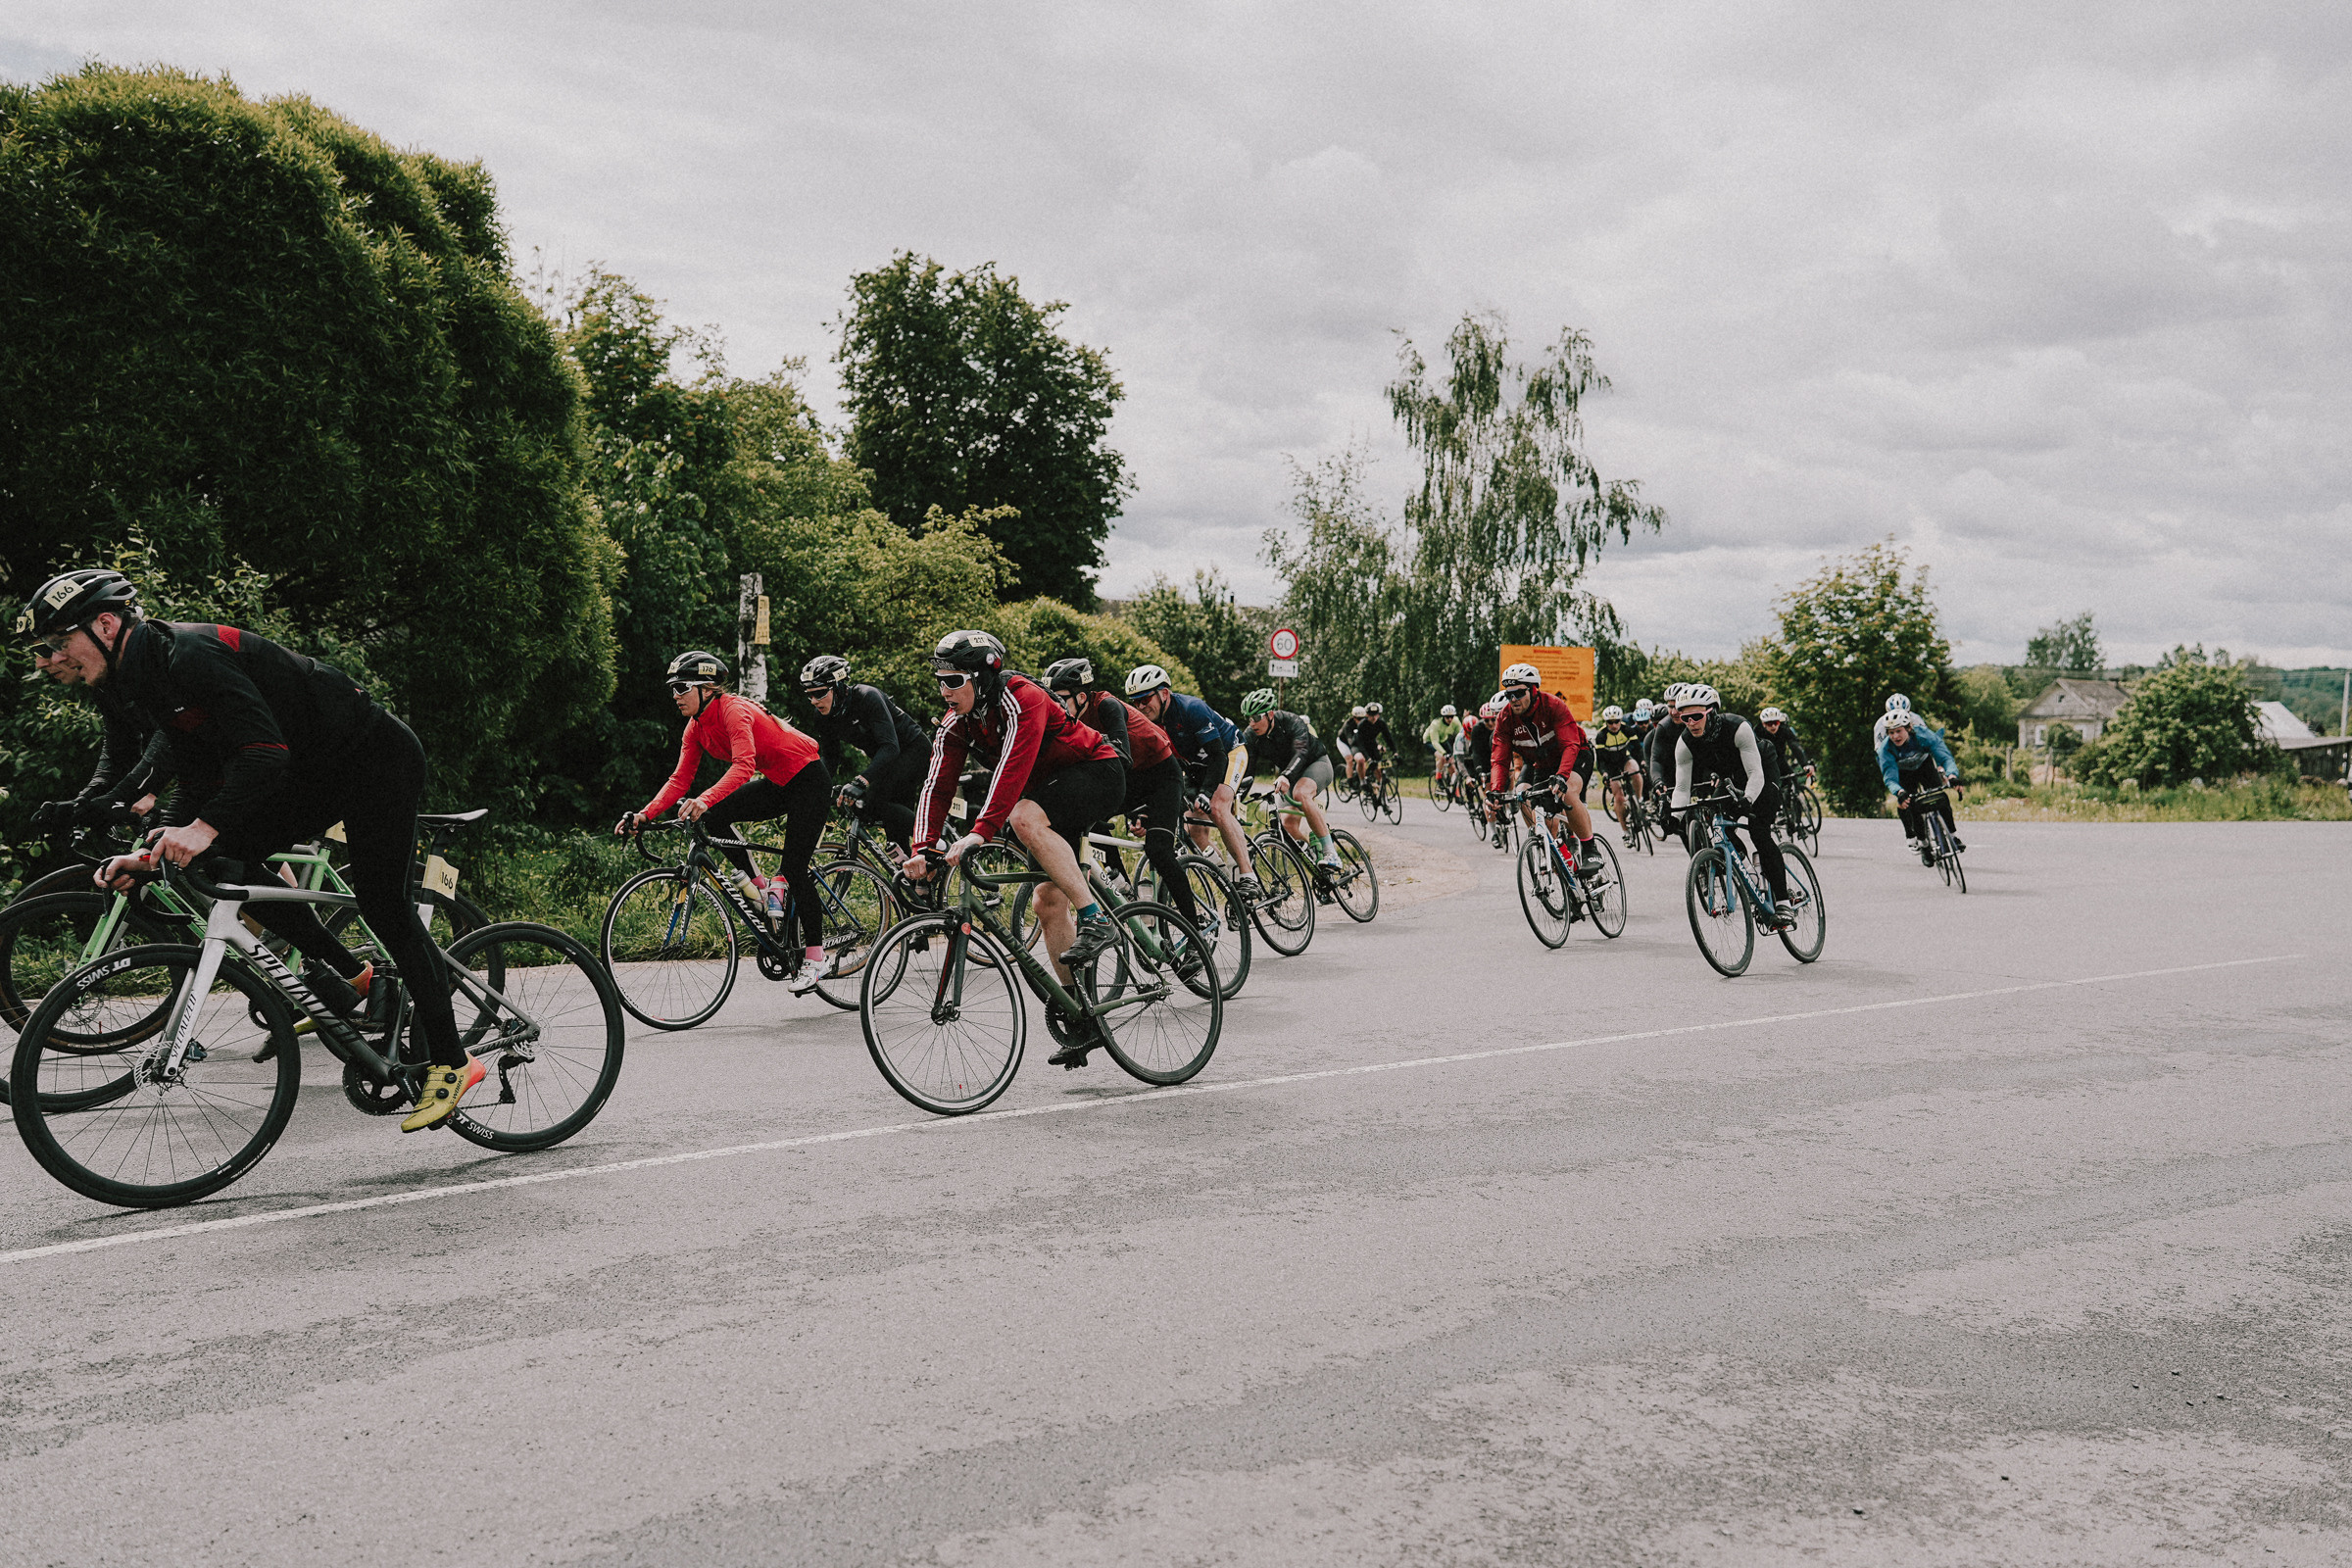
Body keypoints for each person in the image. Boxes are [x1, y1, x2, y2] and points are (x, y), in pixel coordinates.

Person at [23, 568, 477, 1133]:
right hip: (310, 771)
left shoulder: (188, 657)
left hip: (370, 758)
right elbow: (169, 769)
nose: (47, 660)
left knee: (385, 907)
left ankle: (453, 1061)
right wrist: (149, 845)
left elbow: (262, 752)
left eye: (56, 644)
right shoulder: (124, 680)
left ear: (107, 624)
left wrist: (202, 826)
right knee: (215, 859)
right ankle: (354, 978)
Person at [908, 632, 1126, 1064]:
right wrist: (924, 847)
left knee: (1023, 816)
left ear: (981, 675)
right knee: (1046, 904)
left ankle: (1097, 919)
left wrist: (979, 832)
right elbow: (937, 785)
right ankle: (1080, 1012)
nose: (944, 691)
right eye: (940, 681)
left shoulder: (1021, 697)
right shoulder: (957, 723)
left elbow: (1013, 766)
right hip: (1050, 794)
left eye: (953, 681)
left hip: (1098, 772)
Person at [616, 651, 836, 995]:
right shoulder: (696, 727)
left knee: (794, 868)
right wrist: (645, 814)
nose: (675, 695)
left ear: (706, 688)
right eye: (672, 688)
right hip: (779, 782)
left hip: (809, 779)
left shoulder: (733, 710)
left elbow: (743, 766)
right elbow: (679, 780)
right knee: (716, 817)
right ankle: (763, 888)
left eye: (681, 687)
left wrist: (704, 798)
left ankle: (816, 956)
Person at [1042, 658, 1200, 928]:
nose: (1054, 706)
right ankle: (1122, 887)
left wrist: (1135, 807)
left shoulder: (1107, 706)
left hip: (1162, 774)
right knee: (1084, 819)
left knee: (1159, 850)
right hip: (1129, 777)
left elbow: (1120, 756)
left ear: (1081, 697)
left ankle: (1194, 927)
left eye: (1060, 699)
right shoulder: (1065, 719)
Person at [1122, 663, 1258, 904]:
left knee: (1217, 806)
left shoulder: (1191, 709)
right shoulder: (1148, 724)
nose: (1141, 707)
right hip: (1196, 765)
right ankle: (1228, 881)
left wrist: (1206, 792)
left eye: (1145, 699)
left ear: (1164, 693)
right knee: (1193, 829)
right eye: (1136, 702)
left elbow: (1218, 757)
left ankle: (1248, 876)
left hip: (1229, 752)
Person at [1668, 684, 1796, 928]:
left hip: (1762, 770)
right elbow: (1682, 789)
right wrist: (1675, 817)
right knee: (1721, 828)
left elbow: (1755, 774)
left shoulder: (1737, 727)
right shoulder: (1685, 742)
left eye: (1697, 716)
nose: (1691, 723)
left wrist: (1747, 800)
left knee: (1759, 831)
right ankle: (1748, 873)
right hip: (1731, 779)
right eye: (1685, 718)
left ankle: (1783, 903)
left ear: (1712, 712)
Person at [797, 654, 930, 855]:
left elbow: (890, 747)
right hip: (888, 760)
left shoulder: (867, 697)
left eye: (820, 693)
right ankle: (912, 879)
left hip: (913, 750)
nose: (814, 701)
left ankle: (936, 839)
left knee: (873, 803)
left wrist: (861, 782)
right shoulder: (823, 716)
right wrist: (815, 786)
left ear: (839, 687)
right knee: (891, 824)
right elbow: (831, 758)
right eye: (810, 695)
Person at [1491, 662, 1600, 870]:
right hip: (1543, 763)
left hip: (1577, 754)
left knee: (1567, 793)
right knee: (1528, 799)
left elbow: (1570, 745)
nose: (1513, 699)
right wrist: (1496, 791)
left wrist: (1562, 776)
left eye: (1519, 693)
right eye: (1509, 694)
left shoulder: (1553, 705)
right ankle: (1554, 853)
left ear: (1533, 690)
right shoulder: (1505, 719)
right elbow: (1499, 759)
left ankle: (1590, 849)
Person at [1235, 688, 1344, 886]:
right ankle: (1313, 856)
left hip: (1315, 763)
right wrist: (1237, 798)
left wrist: (1285, 775)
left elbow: (1302, 752)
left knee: (1301, 793)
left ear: (1269, 714)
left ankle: (1331, 852)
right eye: (1248, 718)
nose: (1252, 723)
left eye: (1256, 717)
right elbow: (1248, 771)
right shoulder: (1251, 735)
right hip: (1290, 774)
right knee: (1287, 824)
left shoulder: (1291, 722)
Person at [1880, 710, 1962, 861]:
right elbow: (1890, 777)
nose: (1895, 736)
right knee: (1913, 805)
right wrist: (1899, 791)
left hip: (1924, 766)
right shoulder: (1886, 749)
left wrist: (1952, 775)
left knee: (1940, 796)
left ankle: (1953, 835)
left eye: (1899, 731)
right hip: (1904, 773)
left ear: (1909, 728)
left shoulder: (1923, 735)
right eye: (1891, 733)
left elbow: (1944, 756)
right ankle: (1923, 845)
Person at [1589, 706, 1643, 844]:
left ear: (1620, 721)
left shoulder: (1627, 729)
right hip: (1610, 766)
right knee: (1619, 798)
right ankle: (1625, 832)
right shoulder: (1602, 736)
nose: (1614, 725)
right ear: (1606, 723)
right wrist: (1605, 774)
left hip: (1624, 760)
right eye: (1610, 722)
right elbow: (1600, 761)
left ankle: (1639, 800)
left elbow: (1637, 749)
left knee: (1636, 771)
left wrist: (1642, 762)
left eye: (1616, 721)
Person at [1351, 702, 1392, 793]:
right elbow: (1361, 744)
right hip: (1358, 746)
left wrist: (1395, 752)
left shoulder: (1381, 723)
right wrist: (1368, 759)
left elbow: (1388, 738)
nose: (1373, 717)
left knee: (1377, 766)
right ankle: (1362, 782)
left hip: (1370, 745)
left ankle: (1381, 796)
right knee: (1361, 760)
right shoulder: (1362, 724)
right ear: (1367, 715)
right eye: (1371, 715)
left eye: (1376, 715)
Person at [1423, 705, 1461, 789]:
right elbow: (1435, 742)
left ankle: (1453, 786)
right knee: (1442, 758)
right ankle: (1438, 777)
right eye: (1447, 717)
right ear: (1443, 717)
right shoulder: (1435, 724)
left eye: (1451, 717)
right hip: (1430, 741)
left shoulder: (1456, 721)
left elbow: (1461, 735)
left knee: (1452, 761)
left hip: (1443, 739)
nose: (1450, 719)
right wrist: (1444, 753)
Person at [1336, 705, 1366, 786]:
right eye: (1358, 719)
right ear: (1354, 717)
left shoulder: (1365, 724)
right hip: (1343, 742)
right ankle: (1350, 782)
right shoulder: (1348, 725)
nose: (1360, 720)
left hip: (1355, 741)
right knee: (1350, 759)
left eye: (1362, 718)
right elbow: (1350, 740)